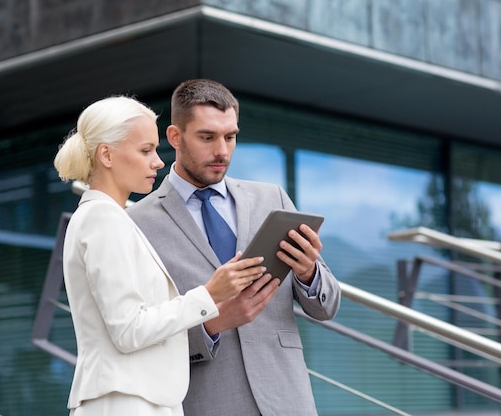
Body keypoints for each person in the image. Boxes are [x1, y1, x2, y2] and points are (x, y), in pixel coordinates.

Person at [127, 80, 341, 416]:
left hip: (288, 400)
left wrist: (308, 271)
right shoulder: (137, 224)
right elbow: (137, 337)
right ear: (175, 137)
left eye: (231, 137)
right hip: (207, 402)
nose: (222, 152)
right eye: (207, 137)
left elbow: (326, 307)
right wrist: (211, 324)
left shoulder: (273, 200)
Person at [53, 95, 268, 416]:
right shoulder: (103, 218)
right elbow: (129, 330)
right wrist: (210, 294)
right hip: (127, 402)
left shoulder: (109, 217)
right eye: (145, 150)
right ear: (107, 154)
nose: (158, 161)